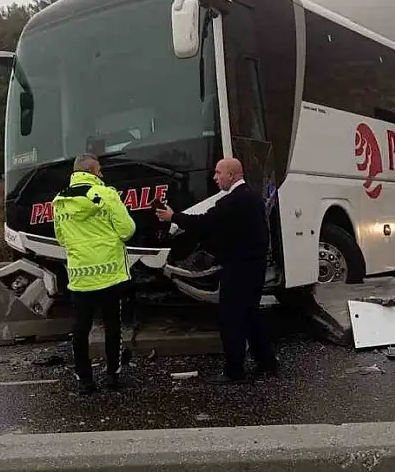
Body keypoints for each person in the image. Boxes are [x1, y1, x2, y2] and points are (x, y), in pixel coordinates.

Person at [155, 157, 278, 384]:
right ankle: (267, 362)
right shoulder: (252, 197)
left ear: (231, 175)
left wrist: (173, 217)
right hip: (255, 266)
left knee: (230, 319)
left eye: (218, 173)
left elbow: (205, 222)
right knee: (250, 315)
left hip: (238, 268)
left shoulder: (231, 202)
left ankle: (234, 371)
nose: (215, 177)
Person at [51, 153, 136, 393]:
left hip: (79, 275)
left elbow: (61, 238)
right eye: (99, 170)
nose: (102, 174)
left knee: (80, 327)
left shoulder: (59, 201)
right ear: (92, 171)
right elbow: (127, 230)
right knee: (113, 325)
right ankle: (113, 376)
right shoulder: (106, 194)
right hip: (110, 273)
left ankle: (85, 380)